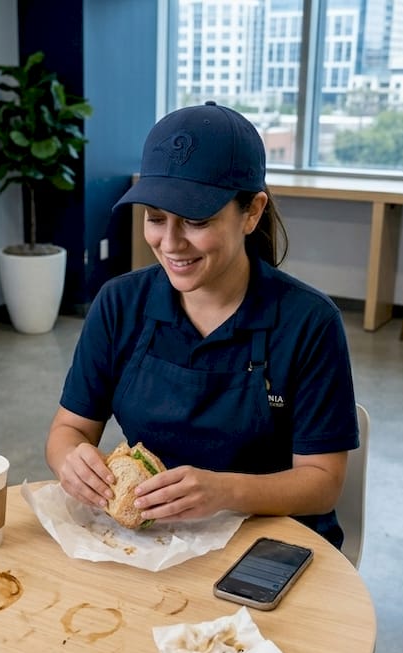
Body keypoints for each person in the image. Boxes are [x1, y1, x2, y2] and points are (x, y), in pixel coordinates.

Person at [45, 101, 359, 548]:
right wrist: (71, 462)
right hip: (152, 544)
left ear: (251, 212)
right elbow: (67, 431)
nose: (170, 243)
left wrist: (225, 491)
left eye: (196, 221)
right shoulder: (120, 304)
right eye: (155, 218)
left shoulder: (308, 322)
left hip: (271, 544)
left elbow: (323, 482)